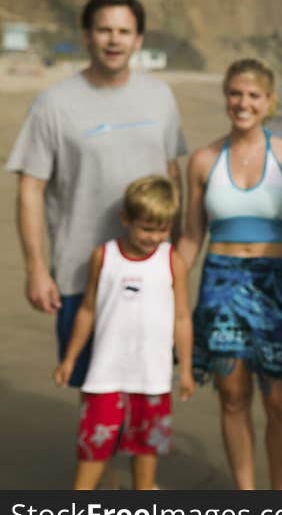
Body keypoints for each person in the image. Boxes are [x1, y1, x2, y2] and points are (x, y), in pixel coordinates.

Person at [6, 0, 187, 389]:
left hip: (152, 274)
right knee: (94, 391)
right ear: (87, 36)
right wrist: (36, 269)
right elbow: (31, 189)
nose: (114, 40)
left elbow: (173, 176)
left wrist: (177, 254)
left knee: (148, 390)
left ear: (139, 39)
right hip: (82, 274)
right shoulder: (54, 104)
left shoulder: (161, 98)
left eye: (124, 31)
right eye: (104, 30)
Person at [177, 58, 282, 490]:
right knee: (232, 397)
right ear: (225, 97)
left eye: (253, 95)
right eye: (235, 93)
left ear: (269, 102)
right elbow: (191, 237)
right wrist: (166, 284)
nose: (242, 103)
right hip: (220, 283)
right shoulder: (202, 160)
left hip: (277, 283)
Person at [53, 175, 194, 490]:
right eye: (146, 228)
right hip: (105, 375)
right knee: (93, 449)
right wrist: (70, 359)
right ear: (126, 220)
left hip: (153, 377)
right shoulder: (104, 257)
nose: (152, 237)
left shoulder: (172, 262)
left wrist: (185, 369)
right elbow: (87, 310)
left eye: (161, 229)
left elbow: (182, 318)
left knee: (146, 453)